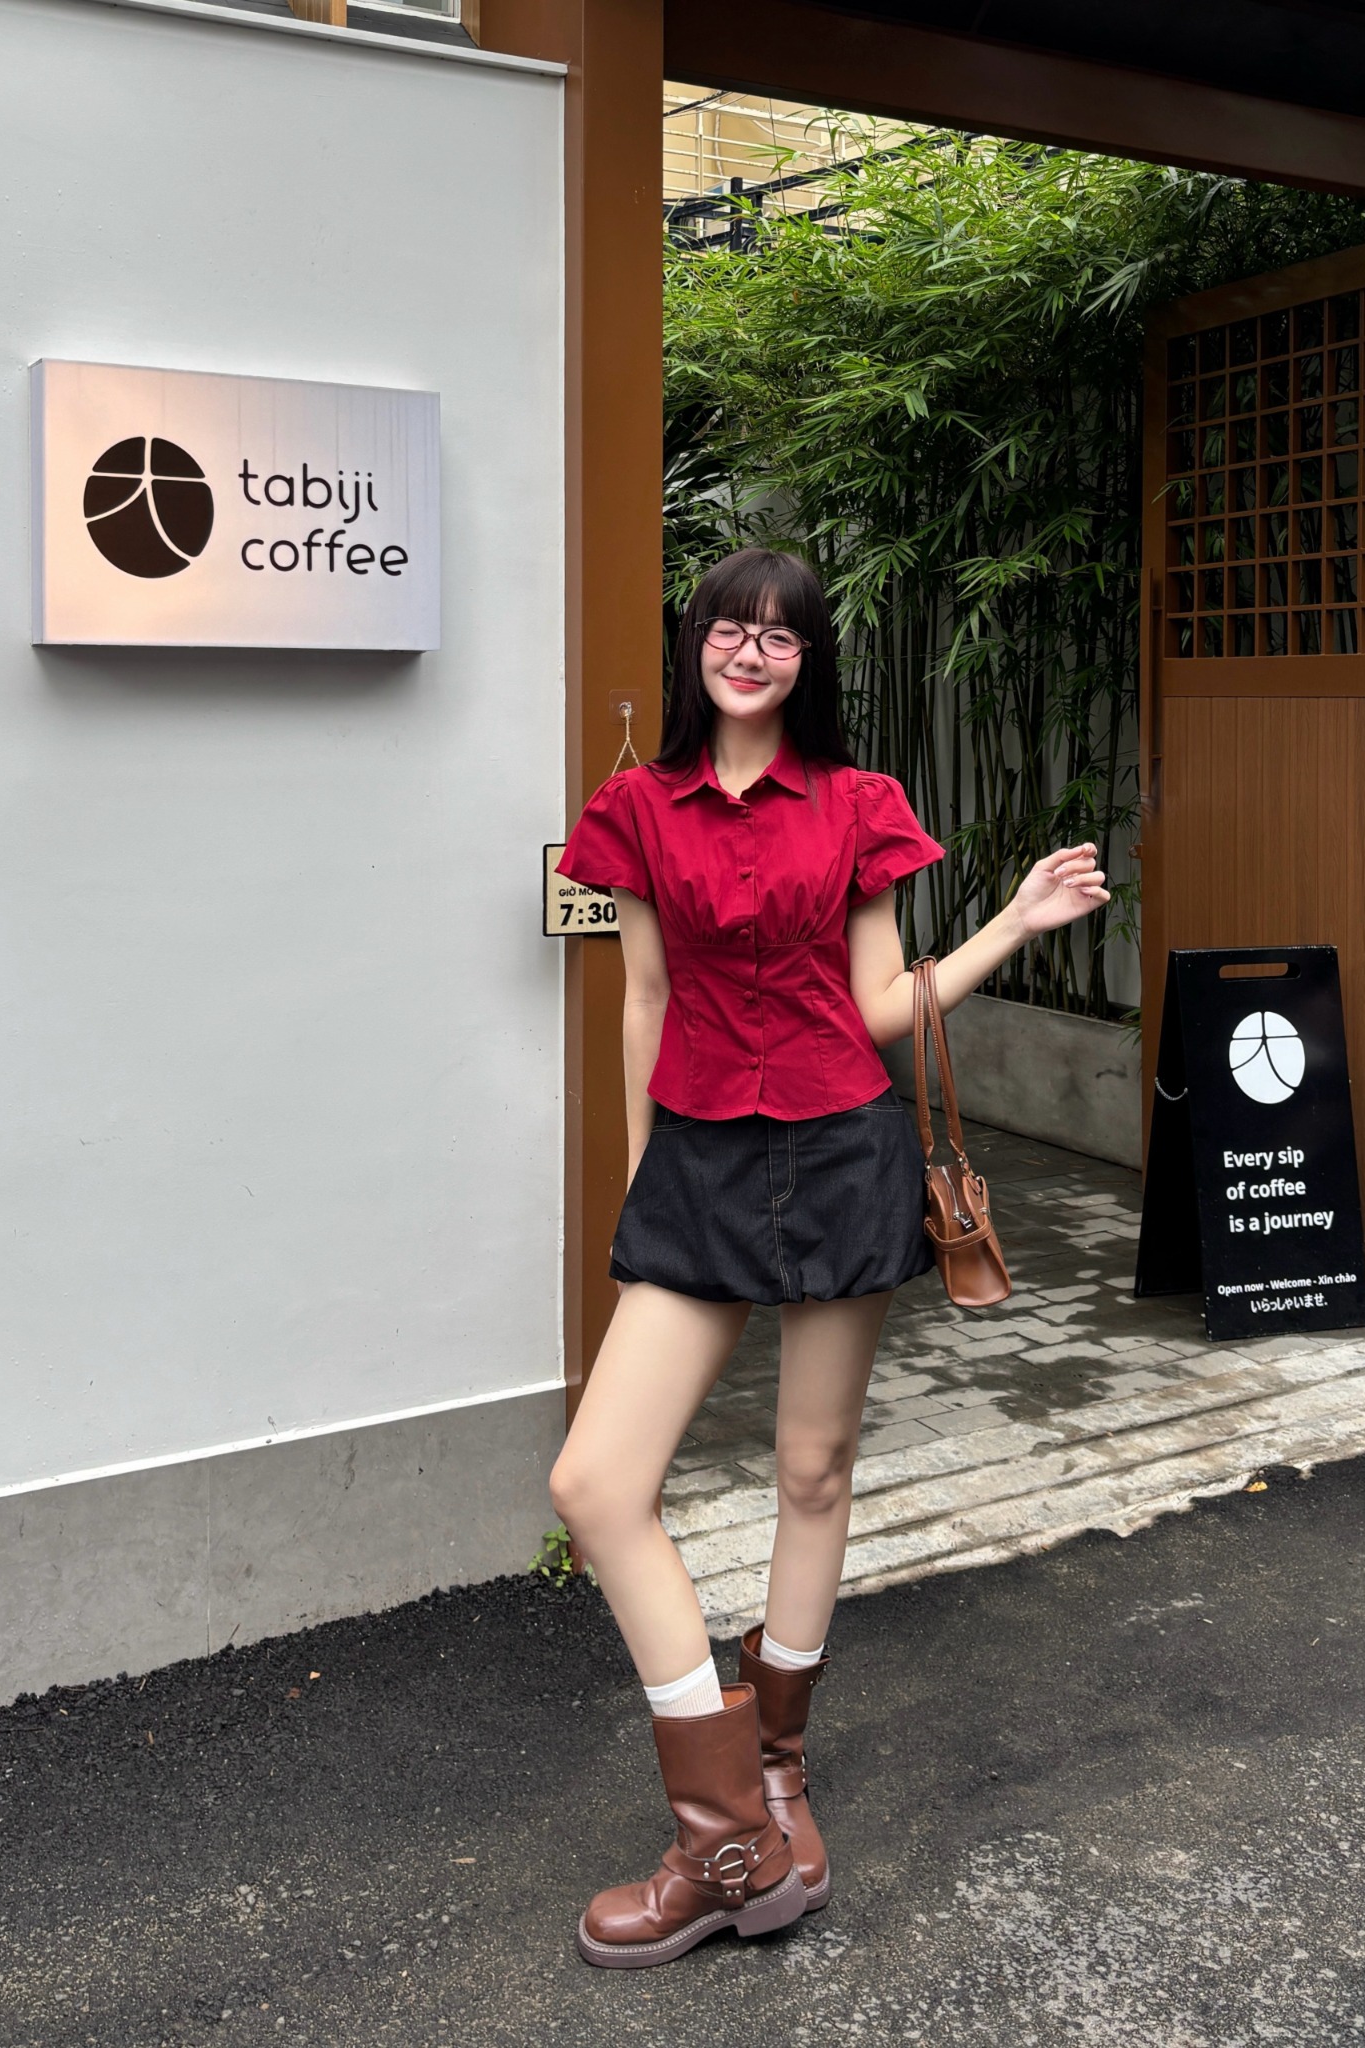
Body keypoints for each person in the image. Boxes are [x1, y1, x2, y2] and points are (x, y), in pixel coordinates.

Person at [552, 547, 1108, 1969]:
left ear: (809, 662)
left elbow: (877, 1009)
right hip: (697, 1160)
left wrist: (1012, 924)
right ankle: (730, 1835)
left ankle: (770, 1788)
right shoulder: (632, 810)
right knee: (596, 1484)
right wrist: (640, 1179)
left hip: (843, 1150)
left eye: (780, 635)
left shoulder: (860, 805)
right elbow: (644, 1000)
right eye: (728, 629)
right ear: (696, 645)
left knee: (814, 1469)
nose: (750, 651)